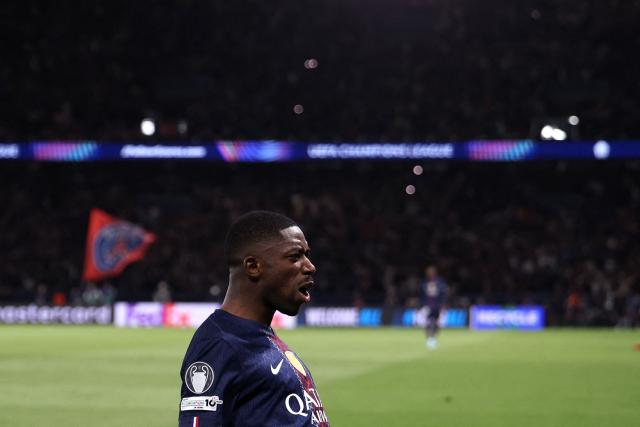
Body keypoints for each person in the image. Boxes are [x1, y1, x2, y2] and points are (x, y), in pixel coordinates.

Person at [178, 211, 329, 426]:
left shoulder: (261, 339)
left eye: (307, 255)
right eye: (295, 257)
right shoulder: (220, 345)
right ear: (253, 267)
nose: (310, 266)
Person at [422, 265, 447, 349]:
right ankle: (429, 339)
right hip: (427, 306)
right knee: (428, 322)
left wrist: (443, 304)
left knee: (436, 323)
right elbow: (422, 294)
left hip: (437, 306)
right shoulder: (425, 283)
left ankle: (433, 338)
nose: (430, 274)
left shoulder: (439, 283)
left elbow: (443, 294)